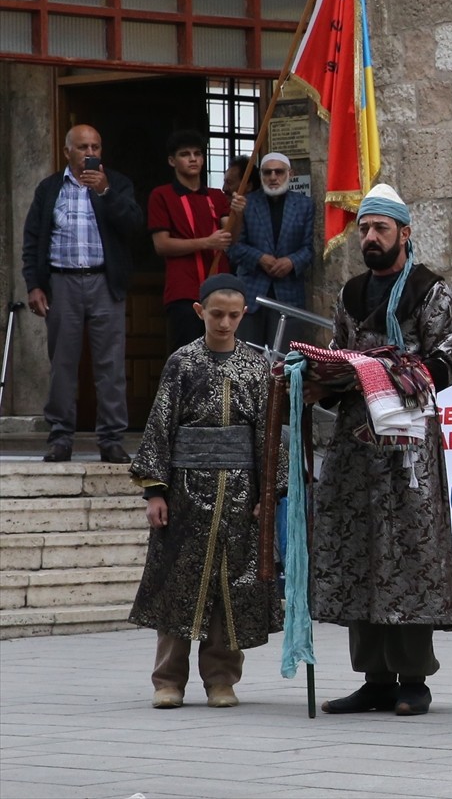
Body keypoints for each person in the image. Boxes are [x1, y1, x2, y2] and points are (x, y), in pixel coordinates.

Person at [308, 184, 452, 718]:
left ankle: (413, 679)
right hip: (355, 441)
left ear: (404, 234)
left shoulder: (431, 291)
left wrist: (387, 369)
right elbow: (338, 352)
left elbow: (446, 364)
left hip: (408, 443)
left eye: (381, 229)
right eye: (365, 229)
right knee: (359, 548)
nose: (370, 237)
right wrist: (320, 375)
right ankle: (373, 677)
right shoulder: (350, 292)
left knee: (408, 551)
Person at [128, 273, 283, 710]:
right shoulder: (182, 363)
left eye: (234, 315)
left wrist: (267, 495)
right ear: (200, 312)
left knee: (230, 586)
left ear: (243, 315)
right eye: (217, 314)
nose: (225, 323)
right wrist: (155, 492)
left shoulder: (257, 366)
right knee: (177, 582)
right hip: (185, 493)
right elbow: (161, 425)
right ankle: (168, 680)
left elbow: (269, 435)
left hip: (239, 493)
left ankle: (221, 678)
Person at [21, 124, 143, 464]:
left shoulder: (116, 183)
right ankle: (60, 438)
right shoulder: (49, 189)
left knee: (111, 365)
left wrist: (105, 192)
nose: (90, 153)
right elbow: (32, 241)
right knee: (62, 363)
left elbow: (134, 224)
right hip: (62, 283)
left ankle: (111, 440)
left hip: (105, 282)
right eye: (83, 147)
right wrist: (34, 284)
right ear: (67, 152)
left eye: (96, 147)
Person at [147, 129, 245, 352]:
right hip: (184, 291)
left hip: (220, 291)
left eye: (197, 154)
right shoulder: (161, 195)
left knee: (222, 357)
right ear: (172, 160)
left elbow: (231, 236)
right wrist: (205, 243)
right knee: (186, 358)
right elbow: (161, 244)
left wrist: (238, 214)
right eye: (185, 154)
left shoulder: (216, 196)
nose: (193, 159)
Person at [228, 152, 315, 352]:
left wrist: (291, 262)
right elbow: (233, 248)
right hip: (251, 295)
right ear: (261, 176)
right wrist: (259, 258)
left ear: (290, 174)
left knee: (284, 363)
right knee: (247, 359)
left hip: (288, 295)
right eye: (267, 172)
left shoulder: (304, 205)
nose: (273, 177)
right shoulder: (246, 203)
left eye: (279, 172)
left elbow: (308, 249)